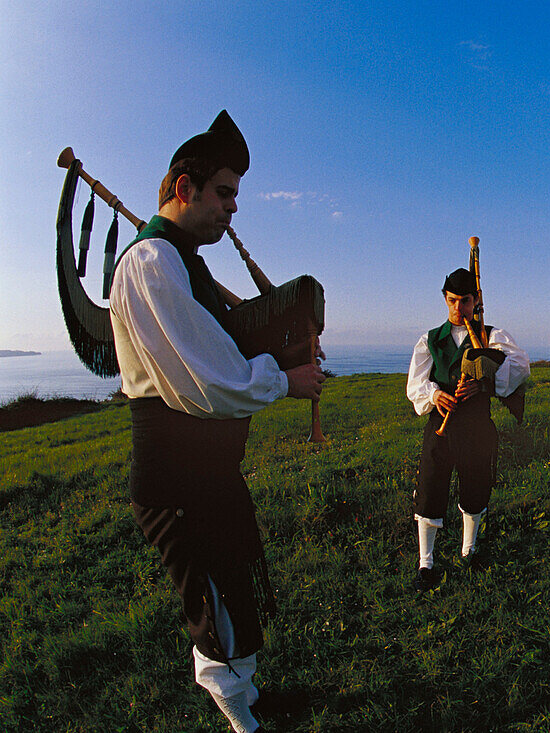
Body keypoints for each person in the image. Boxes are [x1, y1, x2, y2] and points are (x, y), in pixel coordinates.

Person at [109, 110, 325, 733]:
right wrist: (286, 380)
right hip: (175, 478)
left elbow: (224, 342)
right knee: (215, 603)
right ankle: (243, 720)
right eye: (225, 193)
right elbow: (205, 380)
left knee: (234, 581)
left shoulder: (183, 263)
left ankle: (248, 696)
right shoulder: (152, 263)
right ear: (185, 188)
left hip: (205, 472)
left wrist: (283, 341)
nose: (233, 209)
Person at [406, 267, 530, 592]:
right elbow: (416, 382)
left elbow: (519, 367)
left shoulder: (492, 335)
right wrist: (435, 394)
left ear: (476, 300)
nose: (457, 309)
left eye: (464, 301)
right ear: (445, 300)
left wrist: (485, 383)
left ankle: (468, 549)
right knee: (431, 486)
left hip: (476, 425)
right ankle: (426, 562)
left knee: (475, 487)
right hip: (441, 426)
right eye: (451, 301)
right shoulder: (431, 339)